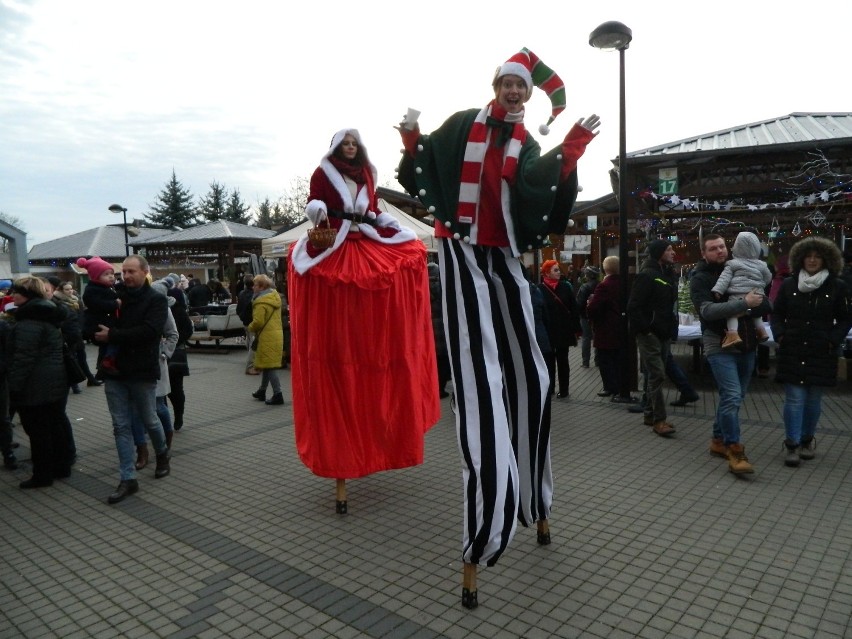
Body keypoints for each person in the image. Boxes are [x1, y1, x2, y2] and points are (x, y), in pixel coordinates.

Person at [397, 47, 598, 608]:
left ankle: (534, 500)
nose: (514, 93)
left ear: (528, 96)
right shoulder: (465, 123)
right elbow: (429, 164)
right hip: (459, 247)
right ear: (496, 86)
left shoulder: (525, 141)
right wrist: (413, 138)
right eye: (508, 85)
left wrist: (569, 151)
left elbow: (536, 185)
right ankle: (487, 524)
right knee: (479, 378)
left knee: (531, 375)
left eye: (522, 88)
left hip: (506, 256)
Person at [289, 128, 439, 517]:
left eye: (355, 144)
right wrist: (318, 212)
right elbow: (314, 200)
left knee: (409, 253)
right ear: (338, 148)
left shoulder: (367, 174)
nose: (351, 148)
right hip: (335, 237)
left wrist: (380, 220)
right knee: (315, 272)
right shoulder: (324, 172)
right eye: (346, 144)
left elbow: (371, 207)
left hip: (366, 233)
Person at [690, 234, 772, 475]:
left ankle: (717, 440)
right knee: (733, 396)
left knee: (734, 396)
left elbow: (766, 303)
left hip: (747, 343)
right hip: (718, 344)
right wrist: (745, 303)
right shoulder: (700, 278)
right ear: (704, 254)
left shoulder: (745, 268)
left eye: (722, 247)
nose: (719, 251)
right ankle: (734, 449)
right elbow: (707, 311)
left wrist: (755, 302)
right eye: (713, 249)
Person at [94, 255, 170, 504]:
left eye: (131, 271)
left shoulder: (156, 299)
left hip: (142, 371)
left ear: (145, 271)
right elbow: (94, 324)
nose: (125, 276)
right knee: (120, 426)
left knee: (149, 419)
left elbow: (149, 332)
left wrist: (113, 335)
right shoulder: (115, 297)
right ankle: (128, 478)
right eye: (123, 272)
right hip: (114, 371)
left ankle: (162, 454)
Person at [770, 236, 852, 467]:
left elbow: (846, 318)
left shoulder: (837, 286)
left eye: (817, 256)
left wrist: (832, 340)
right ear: (801, 259)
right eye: (809, 256)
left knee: (814, 400)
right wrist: (781, 334)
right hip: (793, 348)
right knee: (795, 399)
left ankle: (807, 440)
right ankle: (792, 445)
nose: (813, 260)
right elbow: (776, 314)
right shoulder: (789, 284)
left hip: (821, 350)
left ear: (826, 260)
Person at [6, 277, 71, 488]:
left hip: (36, 384)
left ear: (28, 295)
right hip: (54, 380)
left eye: (17, 291)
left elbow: (23, 358)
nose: (12, 295)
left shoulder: (29, 321)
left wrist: (14, 387)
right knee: (54, 426)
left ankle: (42, 475)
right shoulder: (47, 313)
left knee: (38, 431)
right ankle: (62, 466)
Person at [627, 240, 679, 437]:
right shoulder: (647, 275)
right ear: (658, 253)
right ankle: (659, 419)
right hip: (651, 333)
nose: (673, 252)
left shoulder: (666, 274)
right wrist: (646, 330)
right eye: (668, 249)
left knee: (655, 374)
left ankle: (649, 413)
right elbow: (634, 306)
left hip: (663, 331)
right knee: (657, 374)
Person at [711, 232, 772, 349]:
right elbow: (768, 277)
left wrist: (718, 290)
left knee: (732, 314)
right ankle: (761, 331)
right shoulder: (761, 264)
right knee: (757, 315)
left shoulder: (732, 264)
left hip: (737, 294)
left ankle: (733, 334)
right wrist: (760, 285)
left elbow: (724, 279)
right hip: (756, 293)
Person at [539, 259, 581, 398]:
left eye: (558, 270)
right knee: (548, 361)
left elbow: (573, 308)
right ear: (546, 272)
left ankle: (564, 390)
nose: (558, 273)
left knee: (563, 361)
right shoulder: (540, 289)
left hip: (563, 330)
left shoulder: (565, 287)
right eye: (555, 270)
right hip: (548, 331)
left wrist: (576, 328)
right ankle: (549, 388)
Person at [76, 256, 121, 375]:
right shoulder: (92, 290)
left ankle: (103, 364)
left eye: (112, 273)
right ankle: (107, 361)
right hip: (99, 323)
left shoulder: (108, 288)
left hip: (106, 321)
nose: (111, 276)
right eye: (106, 274)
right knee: (112, 341)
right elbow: (97, 304)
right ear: (96, 277)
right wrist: (115, 304)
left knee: (108, 344)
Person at [586, 256, 623, 398]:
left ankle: (609, 387)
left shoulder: (603, 286)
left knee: (605, 359)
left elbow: (594, 308)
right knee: (617, 358)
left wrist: (589, 306)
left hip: (605, 328)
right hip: (619, 326)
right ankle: (619, 385)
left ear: (605, 268)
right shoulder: (623, 282)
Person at [246, 274, 285, 406]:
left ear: (262, 287)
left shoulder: (261, 302)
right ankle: (262, 391)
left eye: (255, 284)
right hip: (276, 335)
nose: (253, 287)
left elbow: (258, 322)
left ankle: (278, 394)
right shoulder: (274, 297)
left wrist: (249, 327)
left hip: (266, 337)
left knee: (269, 366)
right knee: (266, 364)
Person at [427, 262, 451, 398]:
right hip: (442, 327)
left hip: (429, 329)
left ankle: (433, 387)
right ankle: (441, 389)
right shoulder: (442, 285)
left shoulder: (422, 285)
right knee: (443, 360)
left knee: (433, 361)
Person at [575, 264, 600, 368]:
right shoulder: (600, 285)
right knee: (597, 337)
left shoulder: (585, 286)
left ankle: (585, 362)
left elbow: (579, 303)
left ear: (587, 275)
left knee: (586, 338)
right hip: (598, 315)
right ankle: (598, 361)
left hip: (585, 316)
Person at [236, 273, 258, 375]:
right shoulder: (255, 295)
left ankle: (250, 360)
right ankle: (251, 363)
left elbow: (238, 309)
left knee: (249, 339)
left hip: (245, 321)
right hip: (252, 321)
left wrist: (241, 316)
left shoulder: (241, 293)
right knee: (253, 342)